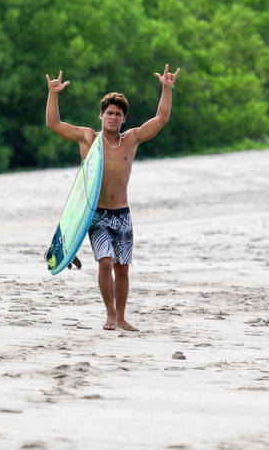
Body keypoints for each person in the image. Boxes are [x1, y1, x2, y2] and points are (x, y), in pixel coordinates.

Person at [45, 64, 179, 331]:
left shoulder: (131, 140)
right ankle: (109, 315)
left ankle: (121, 317)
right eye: (109, 113)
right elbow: (53, 123)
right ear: (101, 115)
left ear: (123, 119)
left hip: (122, 214)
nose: (113, 118)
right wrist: (53, 94)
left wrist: (166, 88)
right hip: (98, 215)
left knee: (123, 269)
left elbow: (161, 118)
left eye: (118, 114)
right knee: (105, 263)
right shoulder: (88, 139)